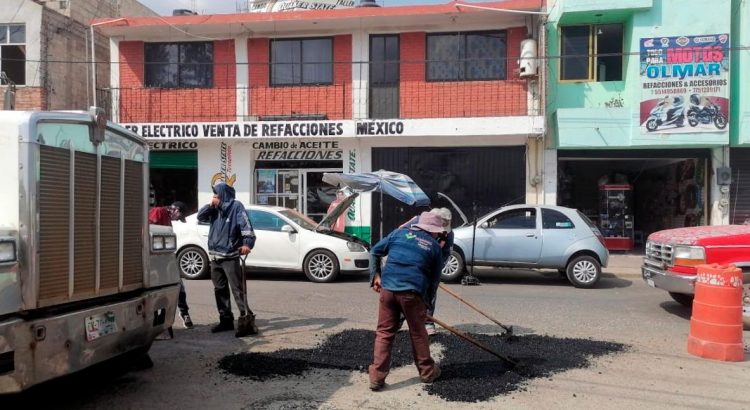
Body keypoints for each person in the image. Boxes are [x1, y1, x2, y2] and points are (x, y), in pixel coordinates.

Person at [368, 212, 445, 391]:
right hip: (412, 294)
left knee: (384, 332)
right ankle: (427, 372)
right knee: (418, 333)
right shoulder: (434, 247)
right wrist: (426, 304)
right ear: (433, 231)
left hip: (388, 290)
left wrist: (375, 276)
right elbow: (434, 281)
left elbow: (374, 252)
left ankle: (377, 378)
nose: (437, 234)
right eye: (437, 232)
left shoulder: (398, 234)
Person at [197, 182, 258, 337]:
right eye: (214, 195)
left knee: (237, 289)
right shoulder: (214, 209)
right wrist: (211, 205)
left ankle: (245, 318)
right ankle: (226, 321)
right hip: (215, 256)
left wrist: (247, 244)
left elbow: (247, 228)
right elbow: (200, 217)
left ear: (223, 194)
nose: (215, 197)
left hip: (230, 256)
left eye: (217, 194)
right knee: (219, 290)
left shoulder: (236, 206)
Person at [399, 207, 453, 335]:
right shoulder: (417, 221)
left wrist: (436, 267)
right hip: (412, 262)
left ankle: (428, 322)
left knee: (430, 294)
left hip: (432, 265)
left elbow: (446, 253)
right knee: (406, 292)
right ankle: (399, 321)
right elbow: (401, 232)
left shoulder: (449, 233)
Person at [148, 201, 193, 329]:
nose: (178, 219)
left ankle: (184, 313)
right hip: (153, 259)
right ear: (176, 210)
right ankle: (156, 320)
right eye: (179, 216)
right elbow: (148, 231)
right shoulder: (159, 212)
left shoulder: (168, 219)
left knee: (178, 284)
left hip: (165, 258)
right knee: (158, 289)